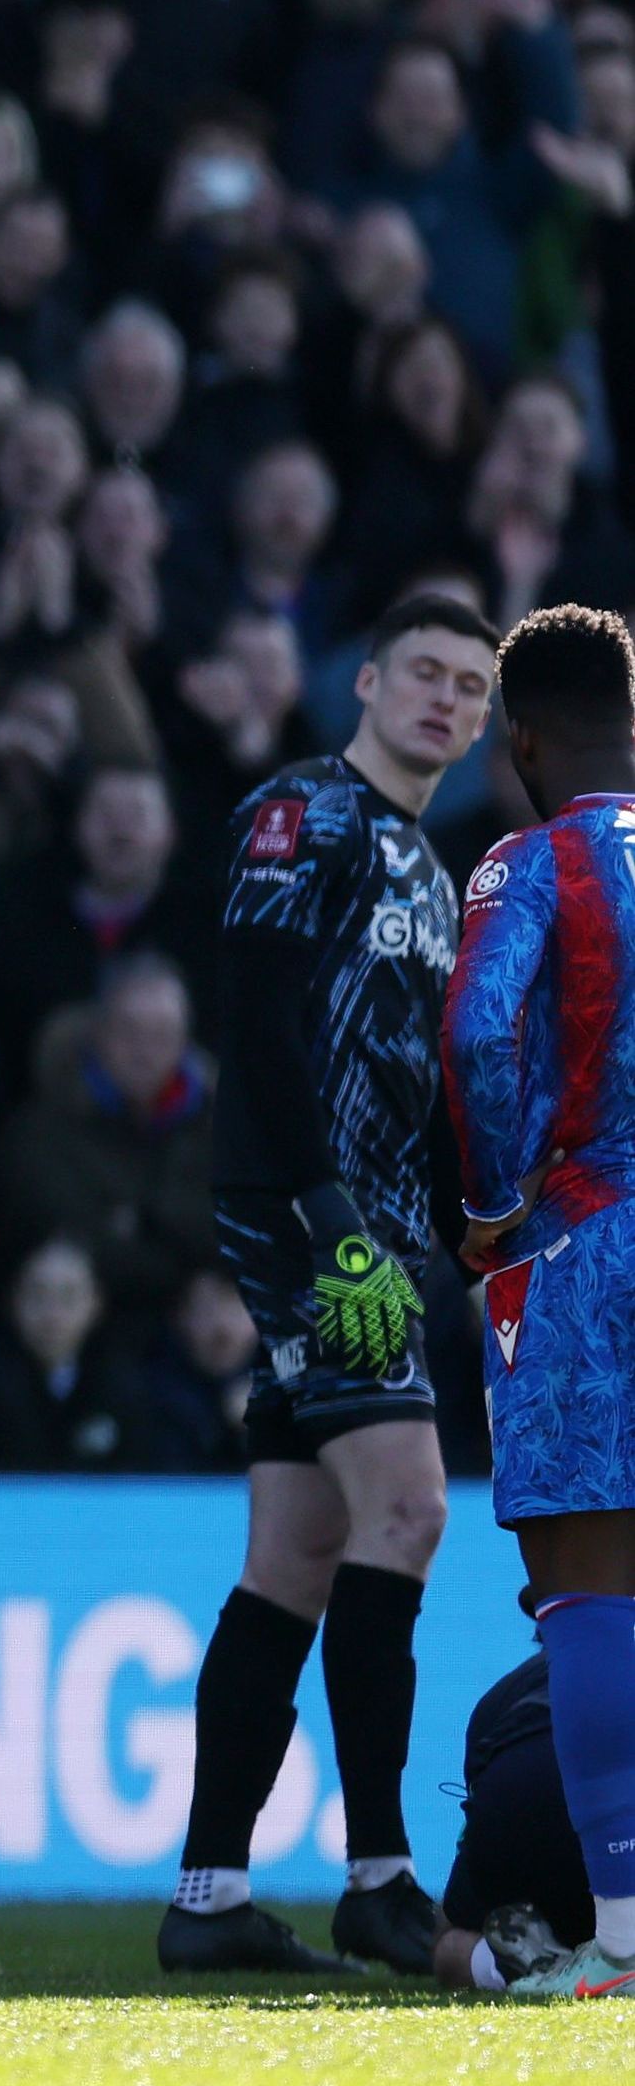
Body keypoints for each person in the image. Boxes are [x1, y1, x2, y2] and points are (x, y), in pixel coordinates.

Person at [171, 592, 498, 1977]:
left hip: (379, 1233)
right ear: (363, 682)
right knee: (408, 1505)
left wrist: (461, 1237)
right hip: (312, 1220)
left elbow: (416, 1079)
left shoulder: (428, 866)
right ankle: (379, 1874)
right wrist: (323, 1212)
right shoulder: (299, 813)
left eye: (468, 687)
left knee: (295, 1554)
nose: (443, 699)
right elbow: (251, 1013)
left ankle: (205, 1900)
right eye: (422, 671)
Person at [438, 604, 635, 2004]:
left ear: (516, 741)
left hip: (582, 1246)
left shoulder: (528, 862)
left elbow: (474, 1030)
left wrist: (489, 1202)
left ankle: (620, 1935)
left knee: (586, 1589)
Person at [424, 1655, 598, 1995]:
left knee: (451, 1945)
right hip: (600, 1821)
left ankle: (511, 1966)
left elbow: (453, 1919)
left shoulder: (510, 1691)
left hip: (516, 1808)